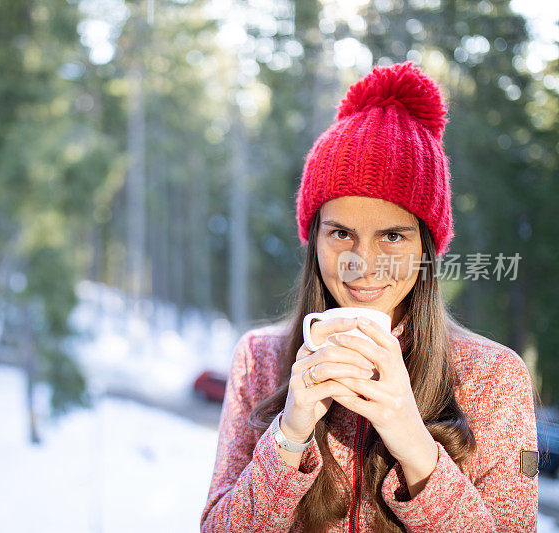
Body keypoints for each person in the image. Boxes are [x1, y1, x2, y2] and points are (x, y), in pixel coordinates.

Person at [200, 61, 540, 532]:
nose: (363, 262)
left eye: (393, 237)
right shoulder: (259, 360)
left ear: (427, 245)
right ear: (314, 237)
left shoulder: (495, 377)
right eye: (341, 233)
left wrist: (412, 440)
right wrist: (289, 435)